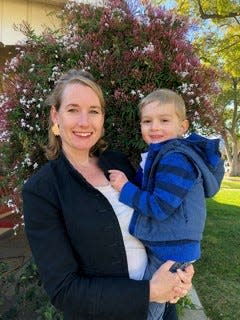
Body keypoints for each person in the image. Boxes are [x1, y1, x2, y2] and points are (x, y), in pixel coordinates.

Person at [22, 71, 194, 320]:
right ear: (55, 116)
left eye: (94, 111)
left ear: (102, 118)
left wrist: (178, 269)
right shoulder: (42, 190)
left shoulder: (119, 163)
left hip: (163, 310)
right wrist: (150, 291)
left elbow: (159, 219)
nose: (85, 121)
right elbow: (64, 290)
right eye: (73, 110)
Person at [109, 88, 224, 320]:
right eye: (147, 121)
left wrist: (124, 187)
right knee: (157, 304)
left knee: (149, 308)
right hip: (170, 245)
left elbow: (160, 206)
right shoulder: (161, 154)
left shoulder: (175, 159)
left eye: (164, 120)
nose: (155, 127)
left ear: (183, 126)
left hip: (170, 250)